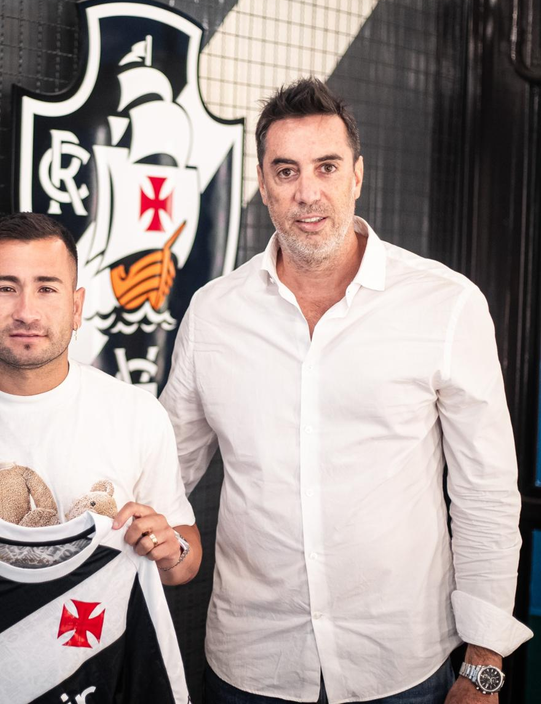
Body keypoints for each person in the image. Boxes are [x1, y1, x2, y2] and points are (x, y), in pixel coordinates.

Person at [159, 78, 532, 704]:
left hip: (402, 666)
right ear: (262, 184)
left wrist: (484, 662)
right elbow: (164, 467)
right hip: (253, 664)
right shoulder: (213, 313)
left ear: (357, 176)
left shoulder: (446, 304)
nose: (307, 193)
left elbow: (486, 493)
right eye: (286, 171)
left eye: (326, 167)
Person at [0, 212, 201, 591]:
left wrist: (171, 550)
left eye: (46, 289)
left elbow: (183, 564)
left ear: (76, 308)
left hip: (95, 630)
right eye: (6, 288)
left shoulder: (138, 415)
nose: (26, 312)